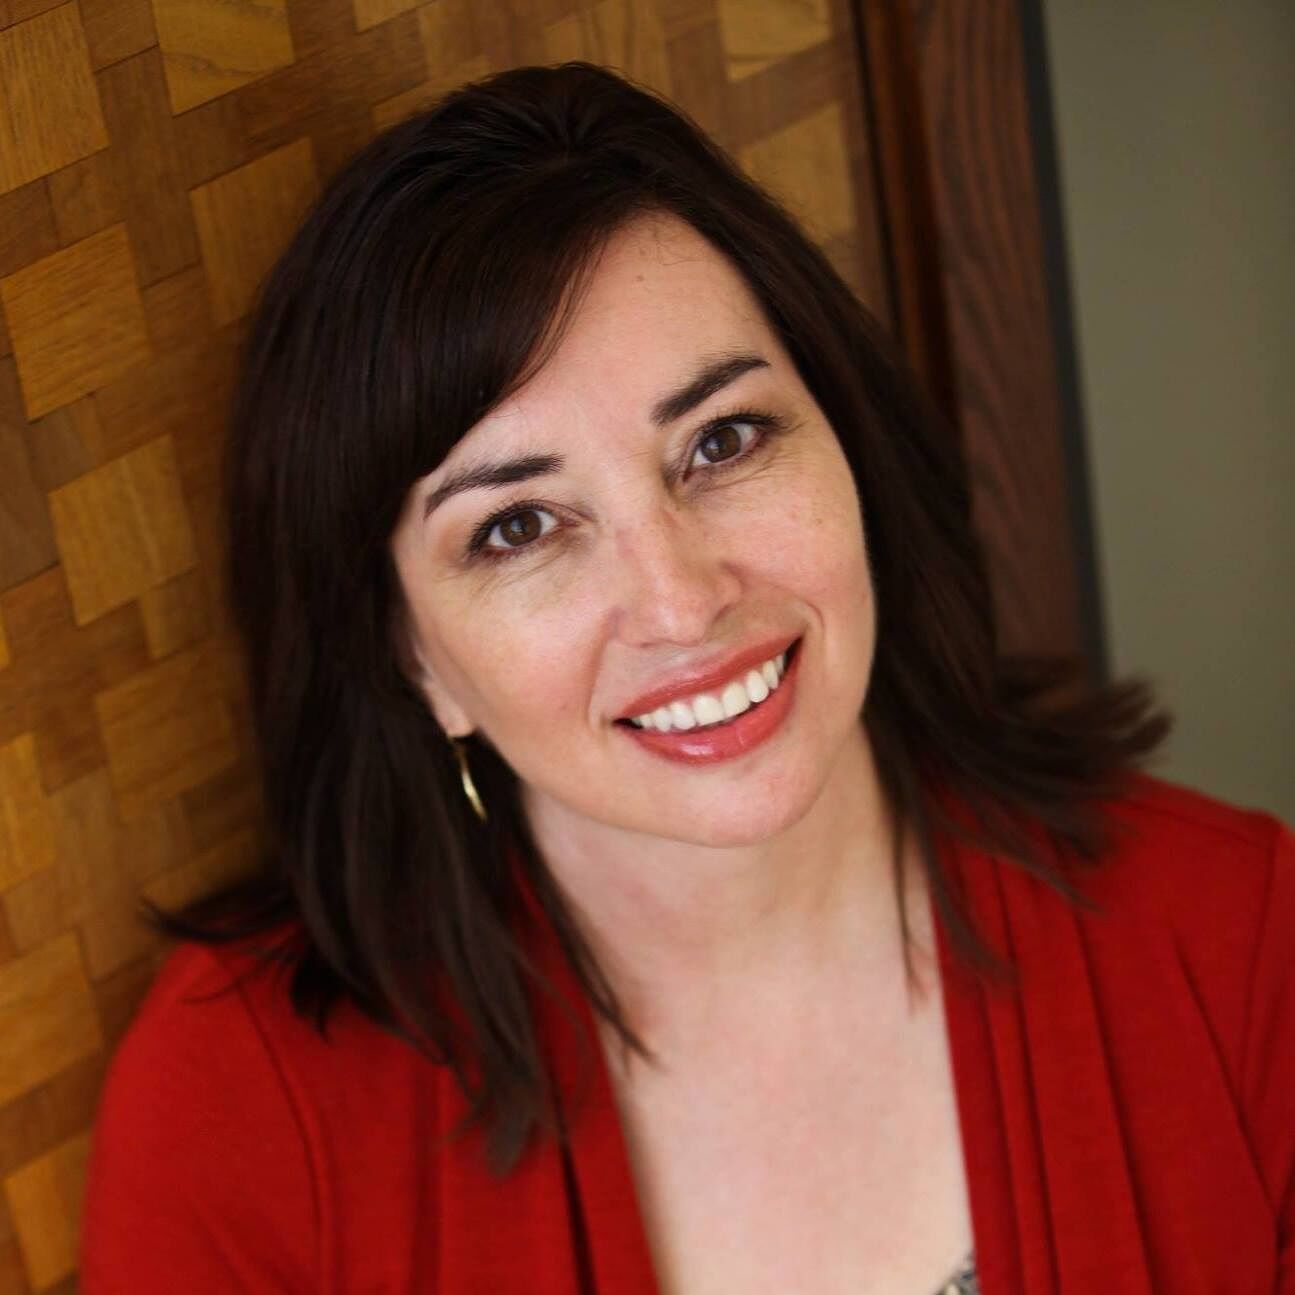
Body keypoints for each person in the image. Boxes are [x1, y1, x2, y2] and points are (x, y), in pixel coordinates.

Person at [78, 62, 1293, 1294]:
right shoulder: (244, 1115)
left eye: (722, 440)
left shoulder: (1240, 943)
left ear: (846, 446)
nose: (680, 599)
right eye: (516, 527)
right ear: (411, 656)